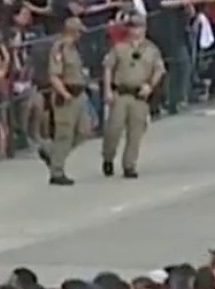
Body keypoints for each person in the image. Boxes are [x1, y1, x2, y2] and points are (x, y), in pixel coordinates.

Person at [102, 14, 164, 179]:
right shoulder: (119, 47)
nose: (136, 31)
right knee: (113, 130)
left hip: (139, 95)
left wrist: (150, 85)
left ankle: (129, 165)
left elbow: (159, 69)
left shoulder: (152, 50)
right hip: (121, 92)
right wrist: (107, 90)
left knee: (135, 132)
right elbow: (108, 68)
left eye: (139, 27)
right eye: (133, 27)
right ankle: (108, 157)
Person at [45, 15, 91, 186]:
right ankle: (57, 171)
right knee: (64, 134)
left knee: (84, 130)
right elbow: (54, 75)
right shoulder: (60, 48)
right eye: (79, 32)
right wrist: (64, 94)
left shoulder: (74, 49)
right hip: (66, 94)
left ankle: (51, 152)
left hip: (79, 92)